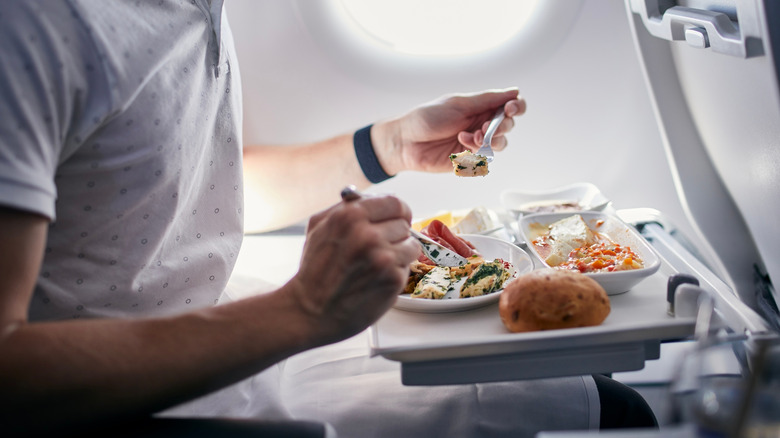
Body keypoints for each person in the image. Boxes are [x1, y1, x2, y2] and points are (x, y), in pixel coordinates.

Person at [0, 1, 655, 437]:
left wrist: (388, 147)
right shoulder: (33, 28)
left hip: (235, 330)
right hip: (147, 398)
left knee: (582, 382)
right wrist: (302, 309)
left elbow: (192, 189)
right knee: (615, 414)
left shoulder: (199, 8)